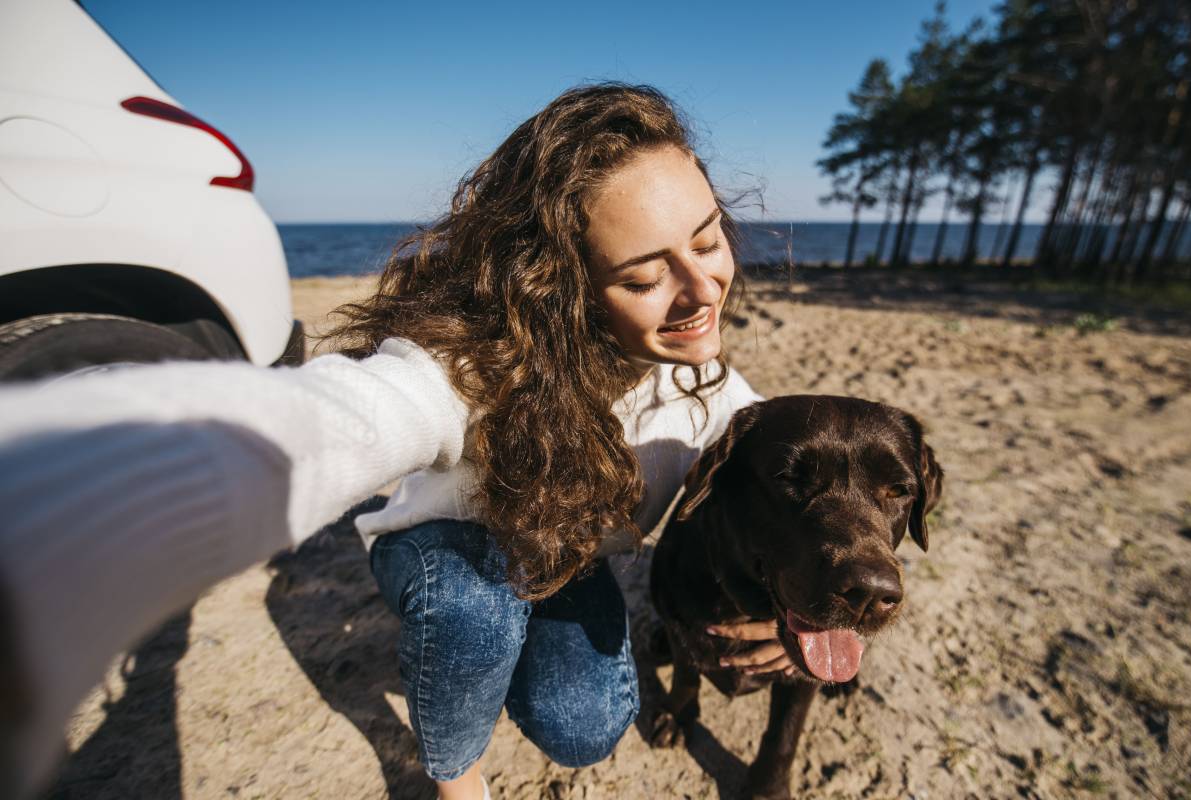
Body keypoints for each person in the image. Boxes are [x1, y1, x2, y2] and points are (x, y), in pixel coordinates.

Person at [0, 83, 791, 800]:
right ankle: (455, 773)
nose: (701, 290)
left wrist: (810, 621)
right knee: (476, 612)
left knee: (584, 727)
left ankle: (489, 654)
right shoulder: (479, 366)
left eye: (708, 238)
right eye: (645, 277)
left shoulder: (711, 392)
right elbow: (341, 418)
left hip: (557, 562)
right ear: (565, 285)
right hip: (439, 547)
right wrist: (84, 489)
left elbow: (810, 470)